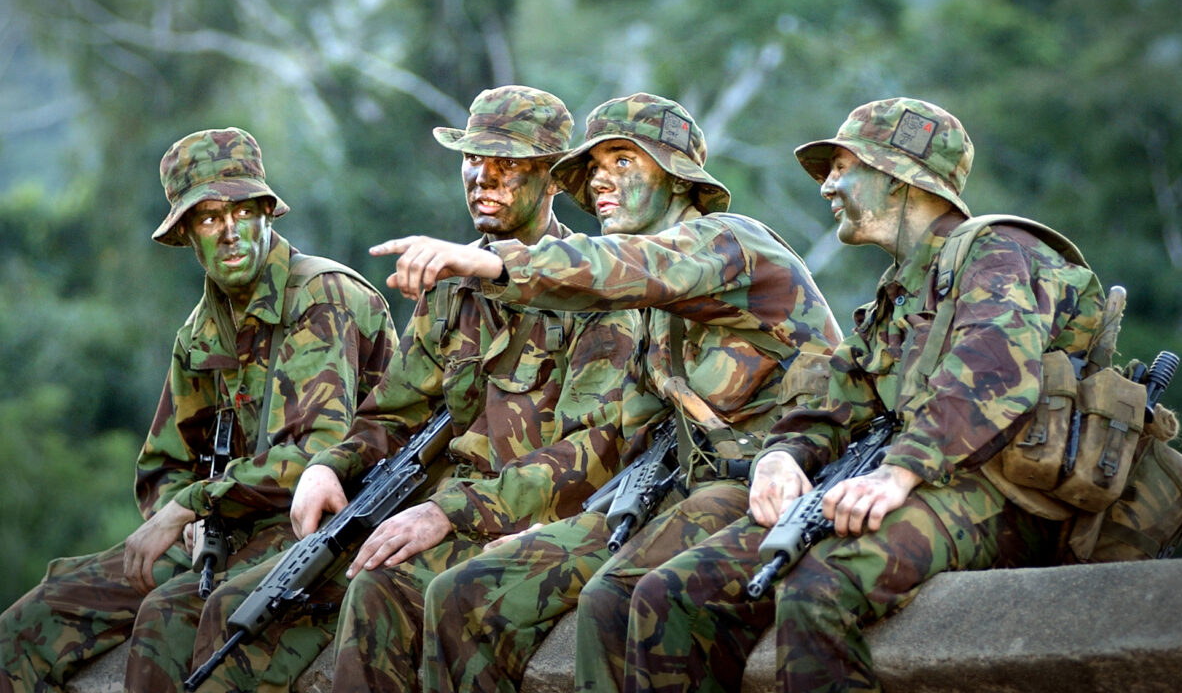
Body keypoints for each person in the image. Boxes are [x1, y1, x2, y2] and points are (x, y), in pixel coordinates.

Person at [619, 97, 1108, 693]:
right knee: (670, 594)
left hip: (1000, 490)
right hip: (911, 483)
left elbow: (994, 373)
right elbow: (834, 396)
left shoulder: (999, 250)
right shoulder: (898, 293)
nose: (827, 187)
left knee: (818, 590)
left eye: (841, 168)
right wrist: (783, 457)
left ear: (900, 177)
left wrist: (899, 472)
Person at [187, 85, 641, 693]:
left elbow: (593, 452)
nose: (484, 176)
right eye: (472, 159)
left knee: (381, 591)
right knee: (236, 605)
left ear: (554, 178)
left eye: (509, 163)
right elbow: (395, 414)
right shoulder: (452, 288)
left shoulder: (596, 290)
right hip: (431, 508)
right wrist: (328, 466)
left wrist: (447, 511)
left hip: (526, 520)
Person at [397, 92, 843, 693]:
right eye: (595, 170)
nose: (603, 182)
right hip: (673, 490)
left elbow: (631, 265)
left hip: (771, 482)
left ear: (679, 178)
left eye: (624, 163)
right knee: (466, 592)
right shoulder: (649, 309)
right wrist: (554, 524)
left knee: (620, 596)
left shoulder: (730, 244)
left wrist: (495, 265)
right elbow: (625, 435)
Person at [0, 127, 397, 693]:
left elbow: (315, 456)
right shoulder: (201, 330)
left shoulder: (321, 297)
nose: (231, 232)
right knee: (44, 610)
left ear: (267, 214)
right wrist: (184, 519)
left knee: (169, 618)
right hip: (229, 534)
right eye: (210, 218)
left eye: (243, 211)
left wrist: (189, 506)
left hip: (324, 531)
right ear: (187, 235)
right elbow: (165, 465)